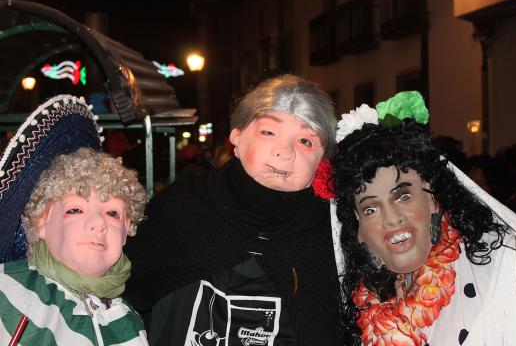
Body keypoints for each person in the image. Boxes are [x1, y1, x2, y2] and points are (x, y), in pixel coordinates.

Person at [326, 91, 516, 345]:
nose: (391, 219)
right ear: (358, 228)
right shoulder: (363, 304)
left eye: (403, 197)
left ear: (433, 199)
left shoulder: (508, 266)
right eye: (371, 209)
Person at [124, 74, 344, 345]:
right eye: (269, 132)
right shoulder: (180, 207)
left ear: (322, 160)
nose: (284, 152)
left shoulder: (334, 234)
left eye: (305, 141)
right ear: (237, 137)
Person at [0, 95, 148, 345]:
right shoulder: (6, 295)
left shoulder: (129, 320)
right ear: (40, 222)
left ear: (126, 231)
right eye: (75, 210)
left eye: (113, 213)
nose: (98, 224)